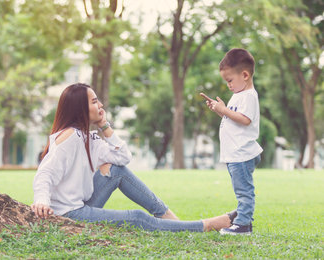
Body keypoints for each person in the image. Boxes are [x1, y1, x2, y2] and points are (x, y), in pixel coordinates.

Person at [32, 83, 233, 233]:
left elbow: (123, 157)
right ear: (80, 109)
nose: (100, 105)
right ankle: (203, 226)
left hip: (82, 206)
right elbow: (45, 173)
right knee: (135, 217)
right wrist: (41, 201)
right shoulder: (70, 137)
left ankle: (170, 219)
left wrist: (105, 126)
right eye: (94, 102)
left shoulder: (88, 138)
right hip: (67, 213)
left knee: (116, 171)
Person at [202, 48, 263, 235]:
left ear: (245, 75)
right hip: (235, 153)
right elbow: (232, 118)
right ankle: (242, 219)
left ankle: (243, 224)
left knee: (244, 190)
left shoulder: (249, 96)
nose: (228, 85)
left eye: (230, 80)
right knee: (240, 189)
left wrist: (224, 109)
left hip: (242, 153)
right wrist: (219, 109)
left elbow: (245, 119)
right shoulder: (238, 95)